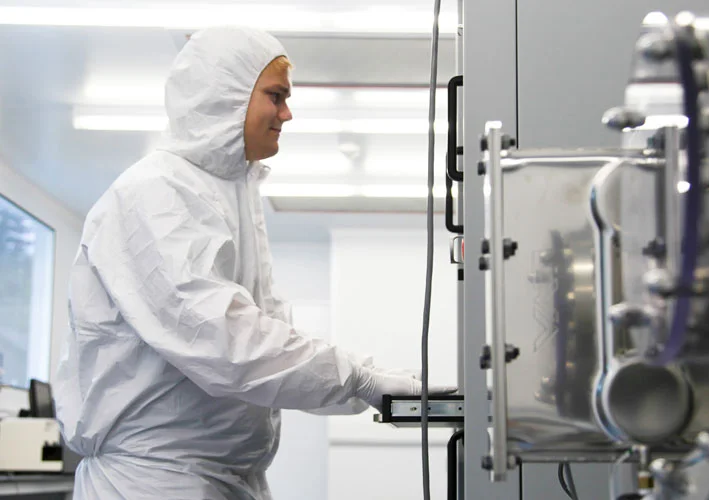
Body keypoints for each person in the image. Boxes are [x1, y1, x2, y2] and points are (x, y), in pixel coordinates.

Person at [53, 26, 453, 499]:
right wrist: (358, 379)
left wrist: (368, 386)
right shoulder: (155, 194)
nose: (287, 113)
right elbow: (226, 340)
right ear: (226, 96)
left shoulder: (229, 194)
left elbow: (268, 343)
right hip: (154, 482)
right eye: (276, 96)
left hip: (214, 478)